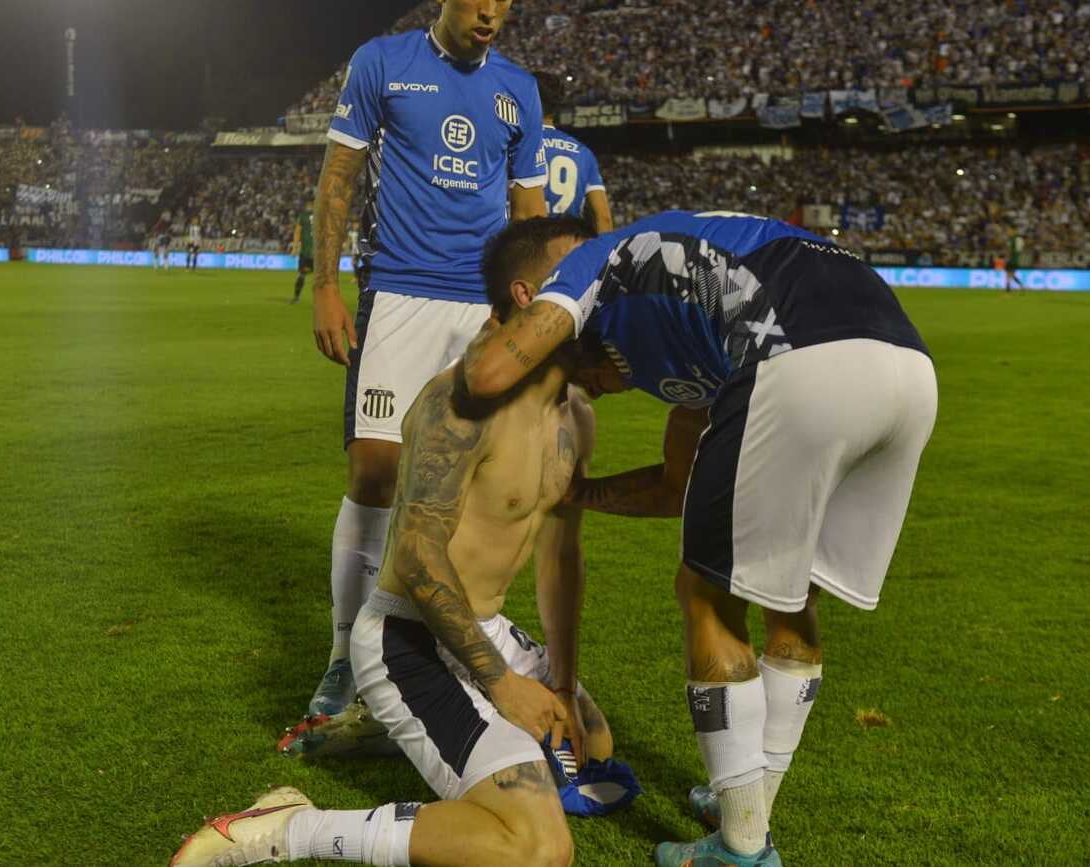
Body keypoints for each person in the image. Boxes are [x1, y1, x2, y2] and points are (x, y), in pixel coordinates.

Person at [464, 213, 938, 867]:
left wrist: (513, 341)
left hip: (799, 358)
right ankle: (749, 805)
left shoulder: (592, 262)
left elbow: (487, 372)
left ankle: (741, 849)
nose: (584, 389)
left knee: (704, 595)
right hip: (908, 371)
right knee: (789, 597)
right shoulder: (691, 316)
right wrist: (580, 493)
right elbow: (675, 486)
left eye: (574, 376)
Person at [172, 255, 618, 867]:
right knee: (538, 849)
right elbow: (413, 557)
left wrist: (559, 678)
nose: (594, 294)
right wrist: (504, 685)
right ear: (530, 297)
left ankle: (407, 734)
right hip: (409, 638)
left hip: (485, 628)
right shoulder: (458, 402)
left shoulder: (576, 418)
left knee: (593, 746)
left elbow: (561, 556)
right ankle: (287, 829)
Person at [296, 0, 549, 733]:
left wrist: (532, 315)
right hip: (399, 293)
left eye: (504, 2)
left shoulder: (517, 90)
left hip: (482, 312)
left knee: (466, 489)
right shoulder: (382, 62)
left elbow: (528, 212)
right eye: (479, 0)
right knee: (375, 473)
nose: (491, 13)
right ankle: (346, 655)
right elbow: (337, 175)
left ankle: (438, 650)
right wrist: (325, 285)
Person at [533, 72, 612, 234]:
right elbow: (603, 217)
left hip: (525, 248)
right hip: (569, 248)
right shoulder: (583, 152)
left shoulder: (514, 145)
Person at [291, 198, 315, 303]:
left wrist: (295, 247)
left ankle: (296, 297)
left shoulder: (303, 216)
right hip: (318, 252)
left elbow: (297, 231)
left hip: (306, 251)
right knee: (320, 277)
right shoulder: (322, 215)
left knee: (301, 274)